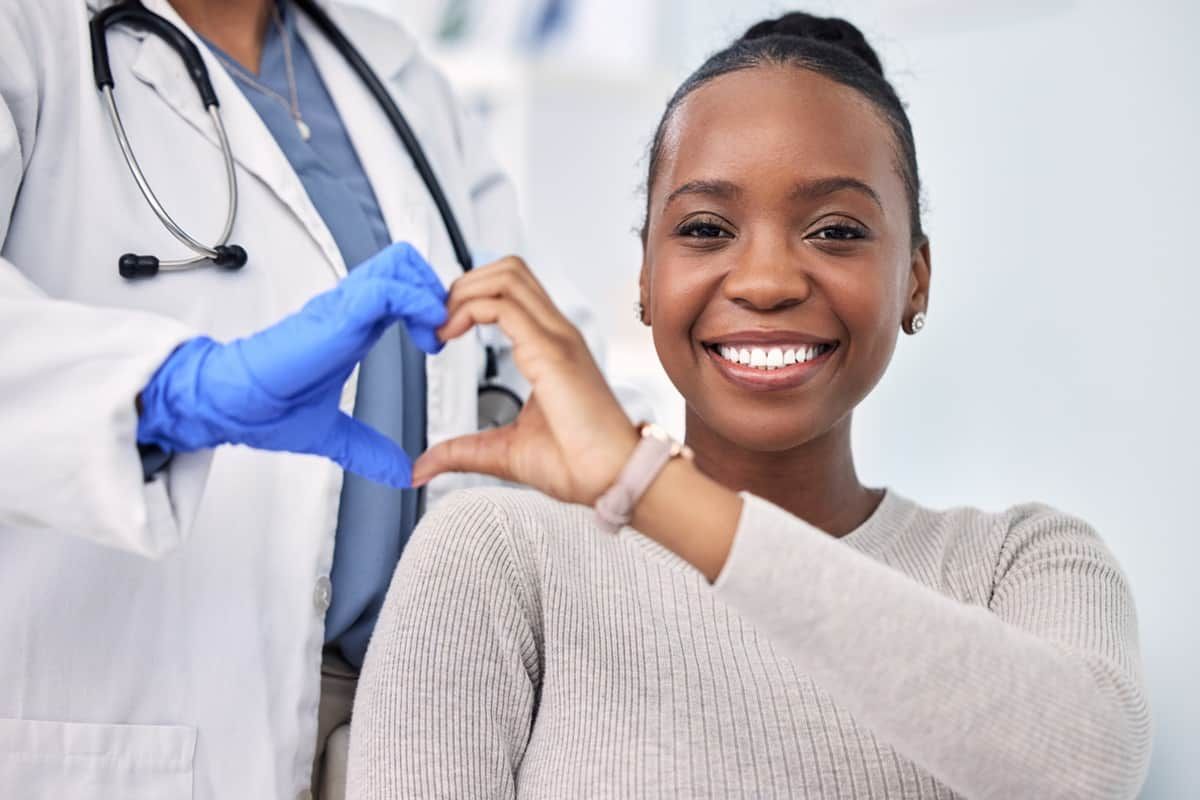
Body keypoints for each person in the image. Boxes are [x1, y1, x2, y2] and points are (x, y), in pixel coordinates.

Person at [349, 12, 1153, 799]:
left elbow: (1085, 769)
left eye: (836, 231)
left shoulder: (1023, 565)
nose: (766, 282)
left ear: (916, 276)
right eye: (705, 227)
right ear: (645, 278)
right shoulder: (497, 556)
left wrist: (645, 481)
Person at [0, 1, 605, 797]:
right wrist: (177, 394)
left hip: (412, 721)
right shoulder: (29, 33)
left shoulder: (389, 67)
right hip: (134, 716)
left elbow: (545, 342)